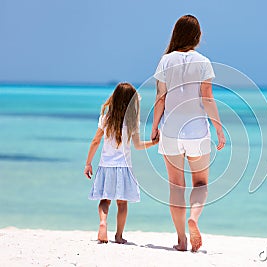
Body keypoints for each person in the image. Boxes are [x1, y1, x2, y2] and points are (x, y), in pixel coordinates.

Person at [151, 15, 226, 252]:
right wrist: (219, 128)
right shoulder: (204, 61)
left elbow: (160, 98)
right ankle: (194, 217)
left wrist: (154, 127)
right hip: (197, 132)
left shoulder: (165, 61)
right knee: (201, 182)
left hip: (171, 130)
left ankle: (181, 239)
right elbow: (207, 97)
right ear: (197, 36)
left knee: (176, 186)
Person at [84, 82, 158, 244]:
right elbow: (138, 146)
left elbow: (96, 141)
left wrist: (88, 163)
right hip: (124, 168)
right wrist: (153, 143)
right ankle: (118, 236)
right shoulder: (132, 123)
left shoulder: (106, 118)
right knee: (122, 203)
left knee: (104, 200)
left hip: (106, 166)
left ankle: (103, 222)